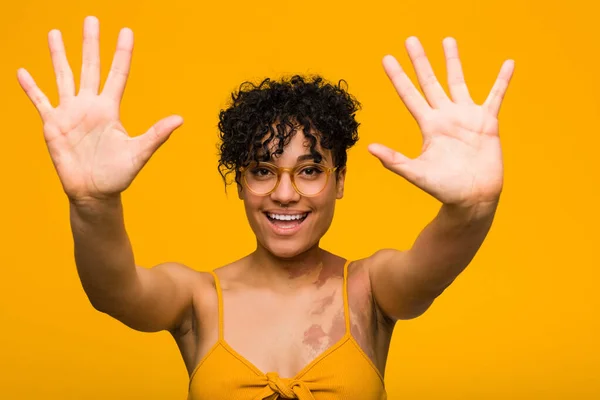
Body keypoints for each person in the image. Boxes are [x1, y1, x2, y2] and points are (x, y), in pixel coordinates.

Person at [17, 15, 514, 400]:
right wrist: (93, 203)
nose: (284, 193)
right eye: (261, 170)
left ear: (339, 180)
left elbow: (434, 263)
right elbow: (114, 291)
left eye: (309, 169)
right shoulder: (197, 298)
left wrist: (472, 207)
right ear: (240, 182)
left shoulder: (371, 289)